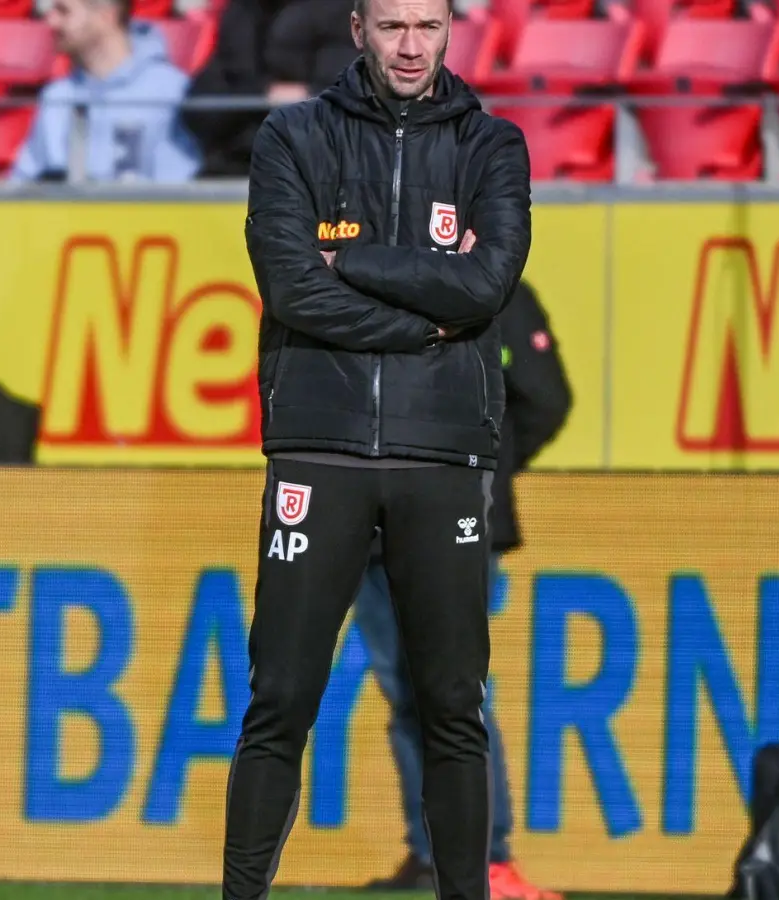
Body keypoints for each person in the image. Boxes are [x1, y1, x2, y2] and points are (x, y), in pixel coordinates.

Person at [222, 0, 532, 895]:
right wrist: (428, 321)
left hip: (441, 457)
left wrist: (349, 258)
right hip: (320, 450)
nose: (409, 45)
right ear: (357, 28)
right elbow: (289, 287)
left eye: (426, 27)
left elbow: (485, 285)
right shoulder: (292, 137)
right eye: (392, 25)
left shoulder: (492, 147)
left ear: (447, 32)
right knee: (280, 700)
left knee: (453, 709)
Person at [356, 280, 571, 900]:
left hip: (447, 518)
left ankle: (482, 856)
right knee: (408, 692)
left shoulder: (488, 288)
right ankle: (431, 853)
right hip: (368, 519)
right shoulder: (367, 279)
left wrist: (477, 466)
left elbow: (544, 397)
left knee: (449, 691)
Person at [10, 0, 200, 182]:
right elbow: (20, 191)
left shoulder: (171, 93)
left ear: (106, 16)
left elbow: (180, 194)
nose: (51, 21)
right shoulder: (56, 97)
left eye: (64, 10)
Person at [180, 0, 357, 177]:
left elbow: (344, 101)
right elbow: (200, 109)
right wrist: (265, 94)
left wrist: (299, 97)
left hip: (317, 173)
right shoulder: (241, 13)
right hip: (234, 166)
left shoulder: (341, 14)